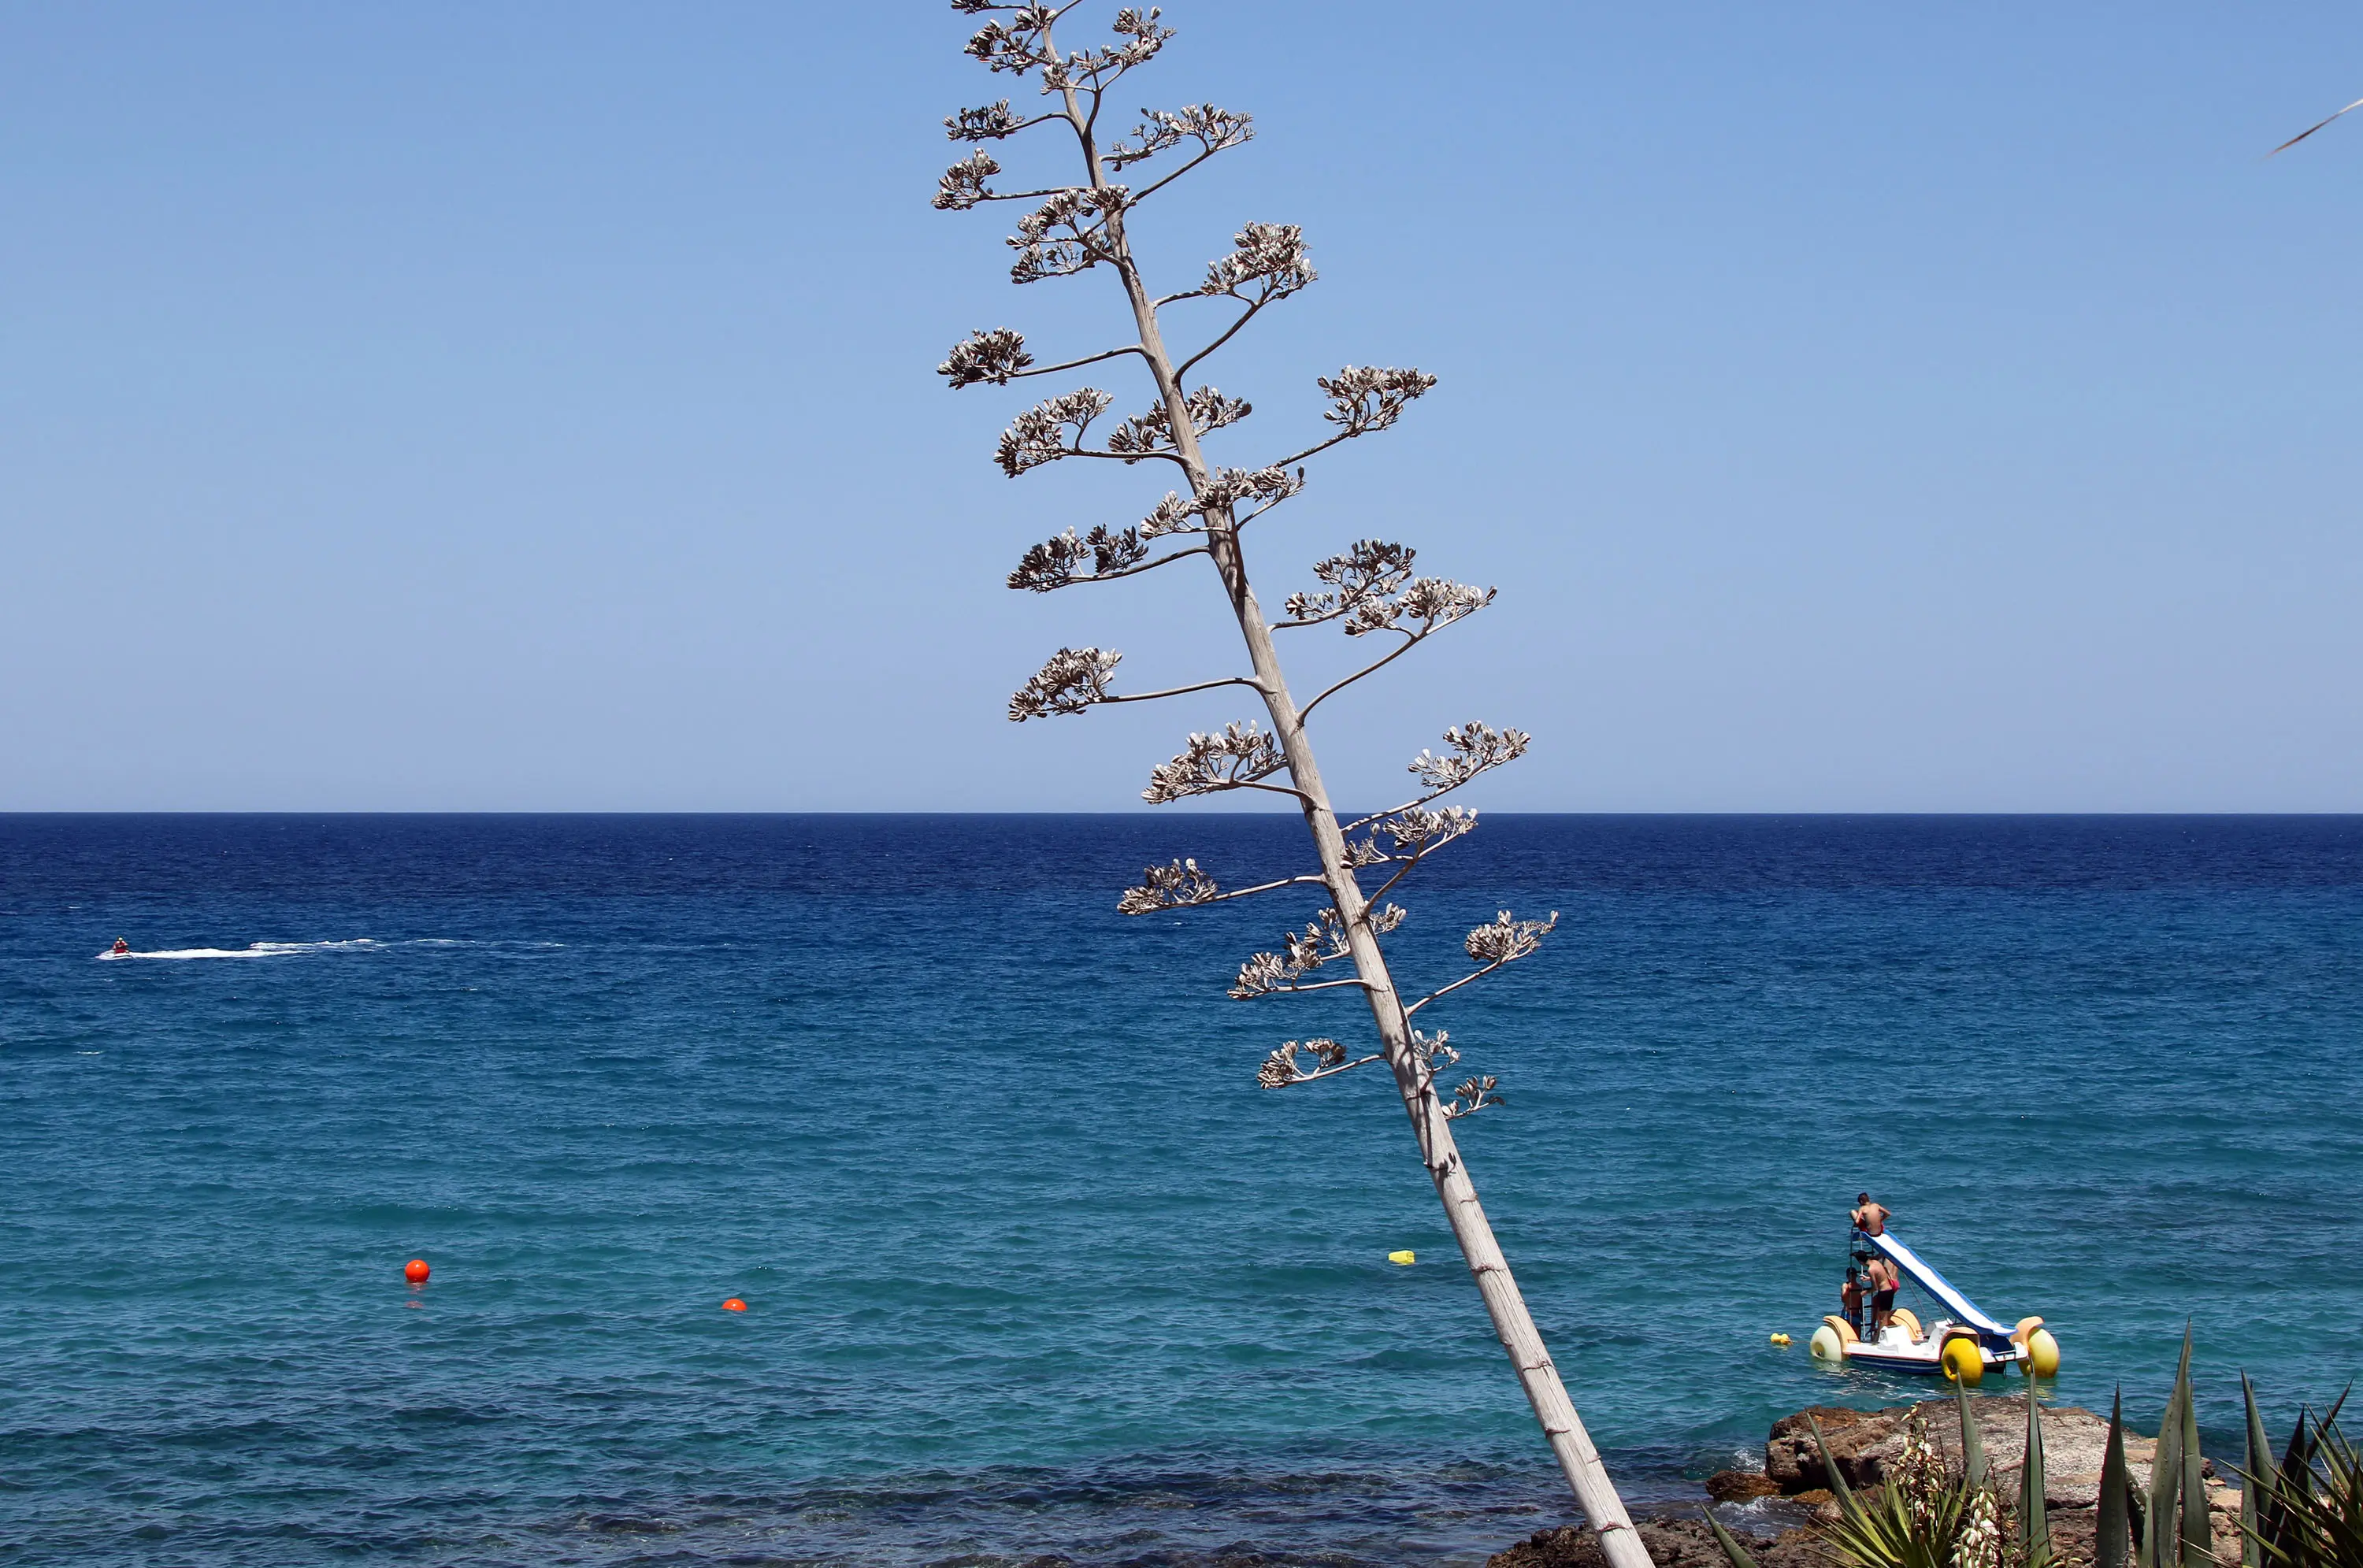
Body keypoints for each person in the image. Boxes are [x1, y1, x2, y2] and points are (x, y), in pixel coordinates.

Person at [1867, 1255, 1898, 1337]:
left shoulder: (1885, 1251)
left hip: (1889, 1282)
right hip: (1895, 1282)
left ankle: (1875, 1327)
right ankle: (1877, 1325)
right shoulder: (1895, 1253)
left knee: (1877, 1305)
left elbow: (1876, 1258)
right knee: (1878, 1302)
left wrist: (1866, 1258)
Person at [1839, 1270, 1866, 1338]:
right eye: (1851, 1275)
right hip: (1847, 1312)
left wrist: (1863, 1314)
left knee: (1857, 1329)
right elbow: (1843, 1298)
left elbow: (1861, 1302)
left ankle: (1858, 1341)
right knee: (1847, 1329)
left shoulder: (1859, 1287)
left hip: (1856, 1313)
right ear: (1848, 1276)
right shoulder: (1846, 1286)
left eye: (1853, 1275)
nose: (1852, 1277)